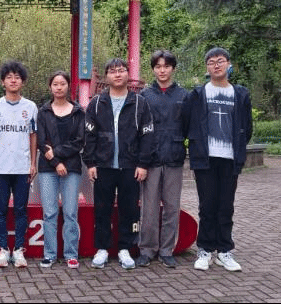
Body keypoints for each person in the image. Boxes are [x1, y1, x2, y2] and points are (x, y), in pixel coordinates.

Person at [184, 47, 252, 272]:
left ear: (229, 64)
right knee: (207, 206)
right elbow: (187, 123)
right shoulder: (197, 94)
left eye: (220, 61)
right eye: (211, 62)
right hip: (205, 158)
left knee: (226, 206)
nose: (216, 65)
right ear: (207, 67)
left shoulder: (240, 94)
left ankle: (224, 251)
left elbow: (247, 127)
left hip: (230, 159)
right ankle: (205, 250)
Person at [83, 58, 154, 270]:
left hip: (130, 165)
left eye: (121, 70)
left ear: (127, 74)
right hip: (103, 166)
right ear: (107, 76)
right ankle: (102, 249)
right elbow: (89, 136)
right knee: (102, 209)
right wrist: (91, 163)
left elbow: (147, 135)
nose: (117, 74)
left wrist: (143, 164)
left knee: (129, 209)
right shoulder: (97, 103)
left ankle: (125, 248)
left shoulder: (139, 102)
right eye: (113, 71)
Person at [136, 50, 188, 269]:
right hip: (151, 159)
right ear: (153, 69)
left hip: (174, 157)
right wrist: (141, 160)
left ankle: (167, 250)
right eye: (158, 66)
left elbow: (188, 126)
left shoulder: (184, 95)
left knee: (172, 207)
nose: (162, 70)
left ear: (173, 68)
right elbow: (139, 129)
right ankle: (147, 250)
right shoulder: (144, 96)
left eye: (166, 66)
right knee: (148, 208)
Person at [0, 61, 37, 268]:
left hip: (22, 167)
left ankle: (18, 250)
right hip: (0, 167)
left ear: (22, 82)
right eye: (9, 77)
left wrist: (33, 163)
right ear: (2, 82)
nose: (13, 80)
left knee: (20, 210)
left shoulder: (30, 107)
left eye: (17, 77)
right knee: (0, 210)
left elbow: (33, 136)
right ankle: (3, 249)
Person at [36, 71, 85, 269]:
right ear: (50, 87)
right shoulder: (43, 112)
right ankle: (49, 254)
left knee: (71, 212)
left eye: (62, 83)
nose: (58, 87)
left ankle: (71, 254)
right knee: (49, 213)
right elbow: (41, 141)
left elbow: (79, 141)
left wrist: (55, 154)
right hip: (47, 168)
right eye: (55, 84)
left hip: (72, 167)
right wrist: (56, 162)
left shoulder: (78, 112)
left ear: (68, 86)